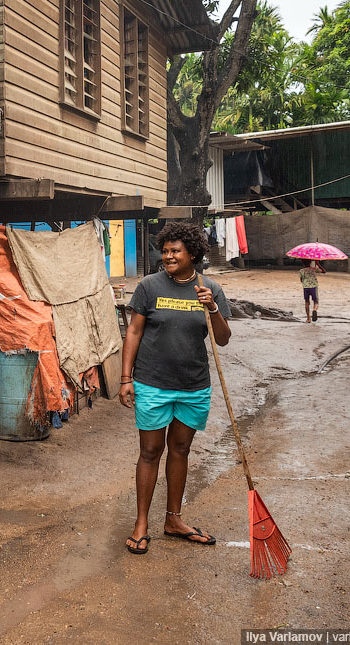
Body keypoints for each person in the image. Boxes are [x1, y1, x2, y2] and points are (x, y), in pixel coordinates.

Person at [119, 222, 232, 555]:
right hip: (153, 382)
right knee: (150, 452)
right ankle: (141, 523)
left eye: (174, 251)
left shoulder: (210, 289)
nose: (167, 256)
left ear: (192, 254)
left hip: (193, 386)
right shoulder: (149, 286)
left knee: (180, 450)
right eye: (165, 250)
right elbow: (134, 333)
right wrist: (126, 378)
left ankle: (173, 519)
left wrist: (211, 307)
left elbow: (223, 340)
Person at [299, 259, 325, 323]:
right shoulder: (314, 269)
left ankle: (308, 318)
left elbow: (301, 280)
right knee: (316, 302)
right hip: (313, 287)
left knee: (307, 302)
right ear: (310, 262)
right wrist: (318, 264)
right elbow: (323, 271)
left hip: (305, 288)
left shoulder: (301, 271)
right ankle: (314, 310)